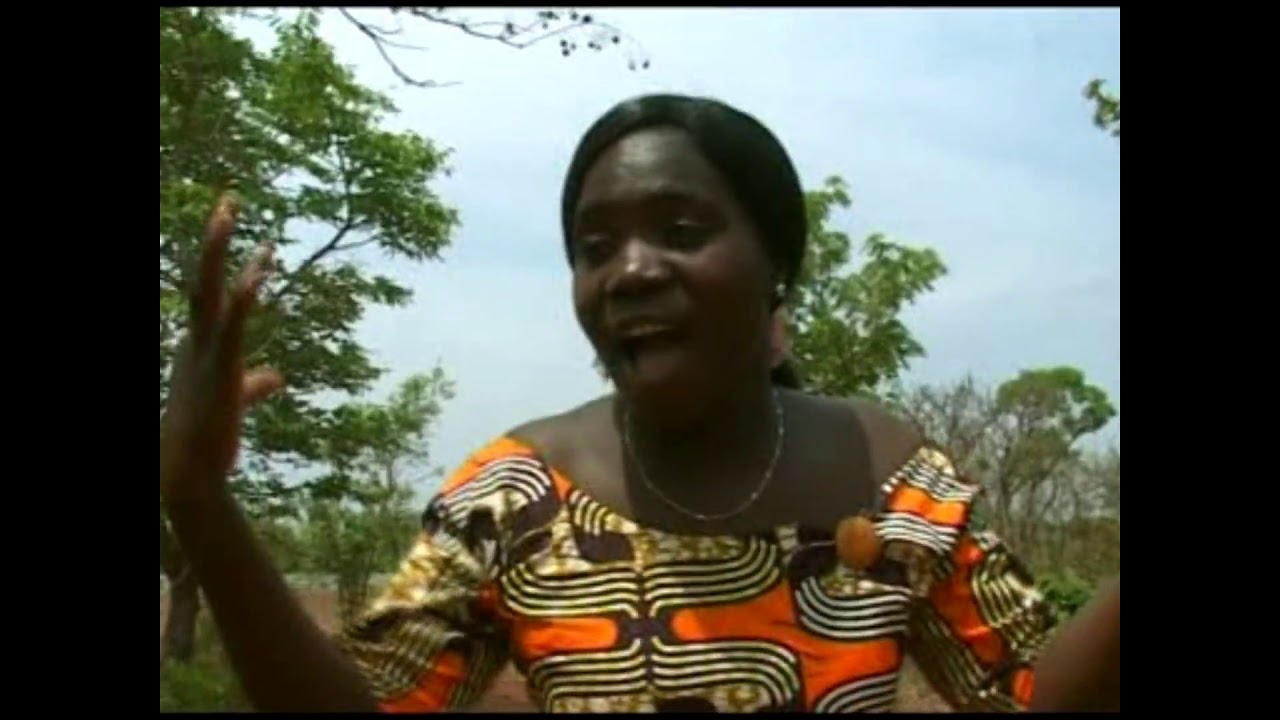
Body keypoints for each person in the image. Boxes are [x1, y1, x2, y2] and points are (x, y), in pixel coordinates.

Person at [159, 93, 1120, 713]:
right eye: (593, 246)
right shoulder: (510, 498)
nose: (630, 271)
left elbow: (1031, 695)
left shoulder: (896, 483)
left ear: (776, 265)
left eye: (680, 229)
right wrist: (201, 501)